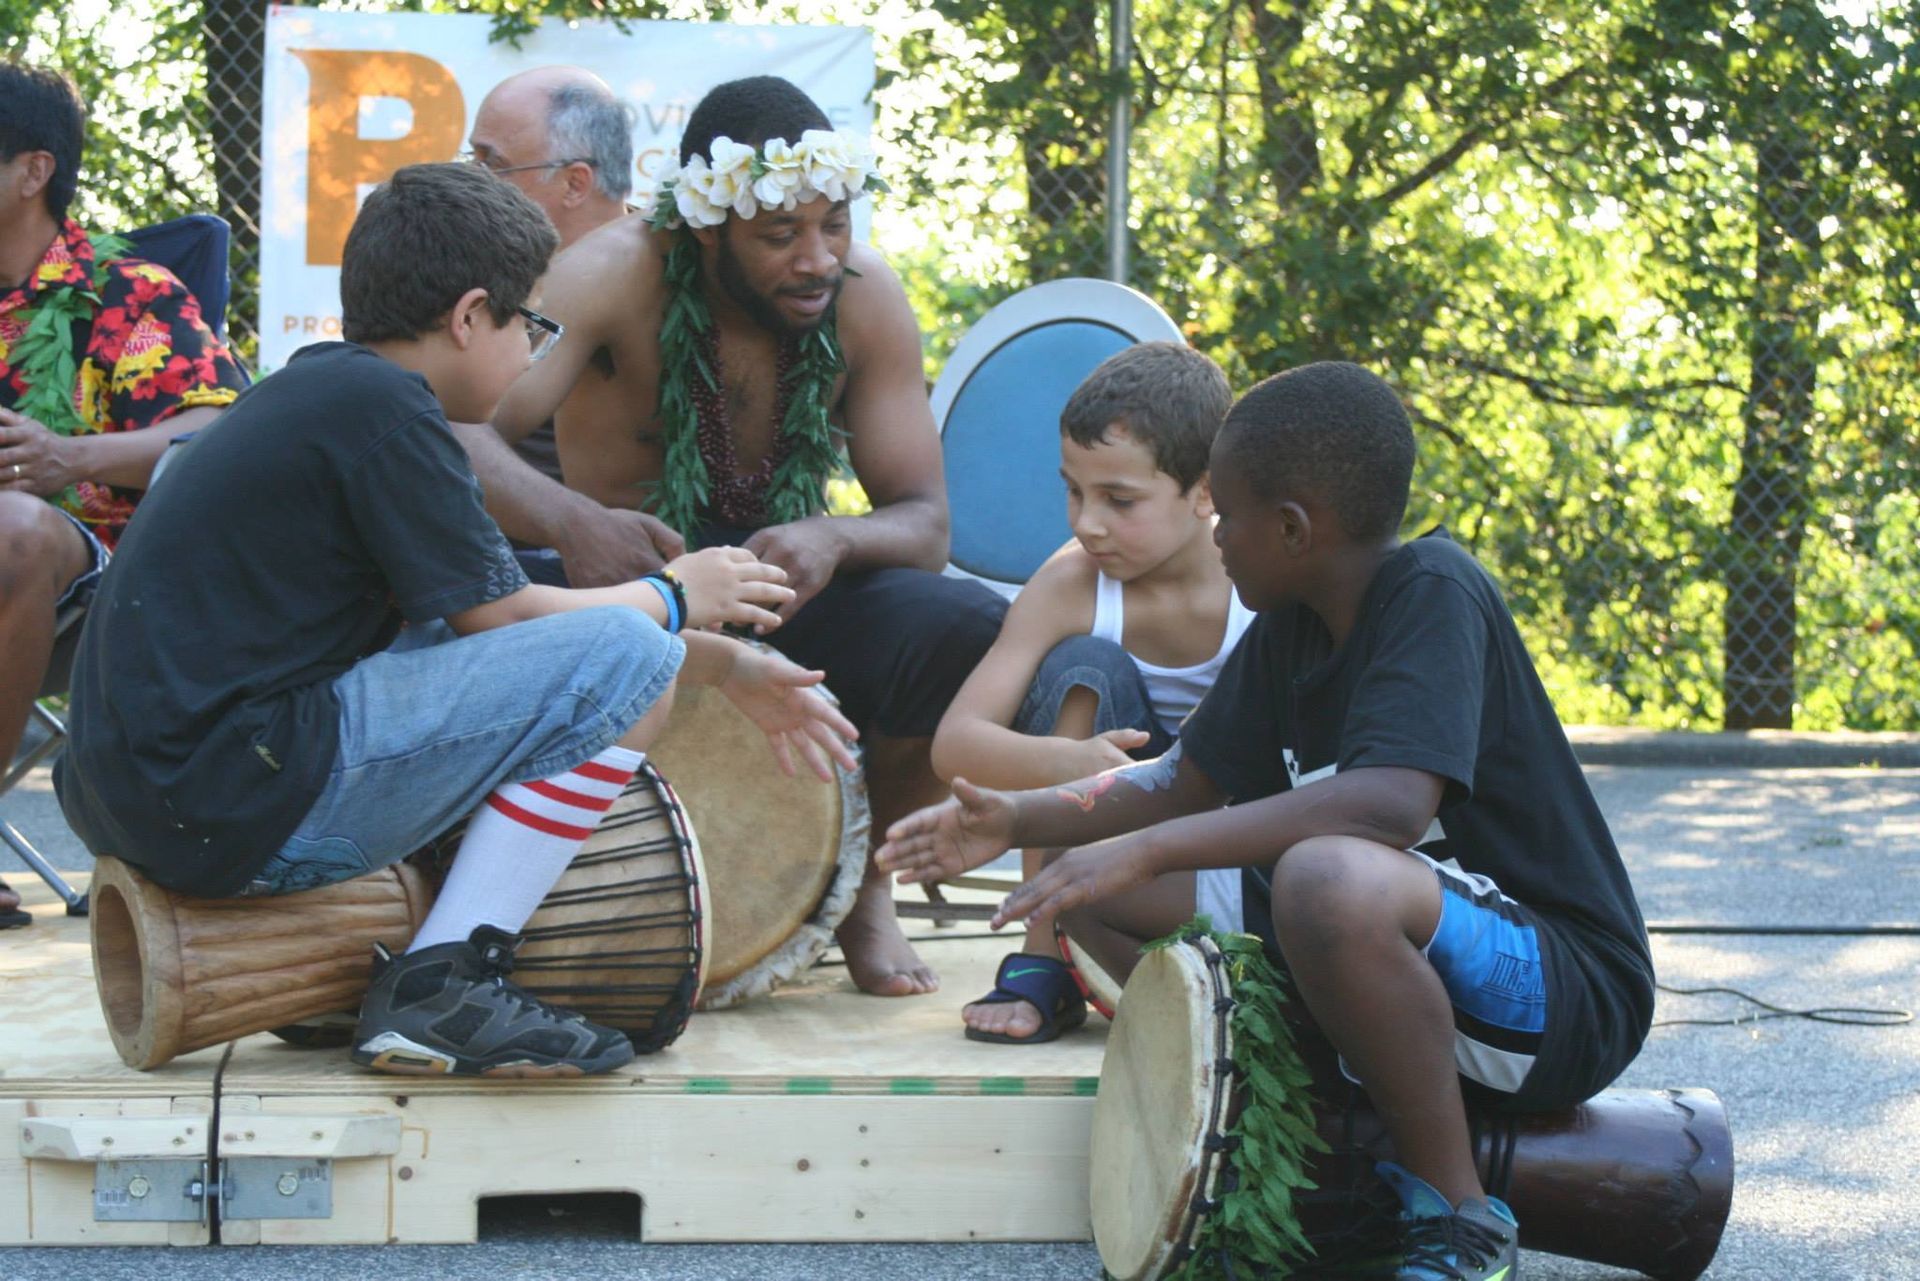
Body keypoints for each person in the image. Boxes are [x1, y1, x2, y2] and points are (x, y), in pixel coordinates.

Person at [56, 163, 859, 1078]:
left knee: (594, 644)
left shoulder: (323, 394)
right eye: (533, 326)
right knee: (628, 647)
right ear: (474, 315)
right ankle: (446, 978)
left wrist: (718, 664)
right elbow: (509, 617)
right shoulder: (389, 411)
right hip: (230, 796)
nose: (532, 352)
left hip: (155, 798)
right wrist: (680, 595)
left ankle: (393, 963)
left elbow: (483, 634)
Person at [879, 362, 1655, 1280]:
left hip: (1560, 992)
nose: (1218, 534)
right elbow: (1178, 781)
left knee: (1325, 874)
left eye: (1229, 514)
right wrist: (1018, 817)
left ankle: (1460, 1215)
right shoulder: (1289, 624)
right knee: (1085, 884)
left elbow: (1389, 804)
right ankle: (1288, 1111)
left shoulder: (1433, 590)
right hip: (1403, 961)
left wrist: (1148, 846)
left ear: (1292, 527)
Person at [487, 75, 1009, 997]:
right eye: (780, 236)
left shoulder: (863, 296)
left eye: (834, 226)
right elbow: (457, 430)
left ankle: (860, 889)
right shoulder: (609, 271)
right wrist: (575, 522)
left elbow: (925, 522)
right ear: (706, 227)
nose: (817, 259)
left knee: (967, 630)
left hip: (782, 588)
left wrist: (835, 538)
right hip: (638, 591)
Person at [927, 341, 1250, 1043]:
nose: (1086, 521)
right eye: (1074, 490)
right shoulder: (1073, 583)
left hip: (1212, 823)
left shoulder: (1255, 583)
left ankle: (1233, 948)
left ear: (1206, 491)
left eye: (1118, 499)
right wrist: (1072, 768)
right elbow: (956, 741)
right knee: (1086, 664)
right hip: (1101, 810)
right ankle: (1046, 955)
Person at [0, 61, 246, 928]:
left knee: (15, 527)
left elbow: (218, 434)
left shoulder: (127, 293)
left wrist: (70, 454)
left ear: (33, 172)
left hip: (94, 581)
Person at [467, 66, 638, 504]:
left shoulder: (669, 270)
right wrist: (572, 525)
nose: (473, 182)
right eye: (472, 159)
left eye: (493, 165)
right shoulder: (465, 259)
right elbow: (430, 431)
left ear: (575, 183)